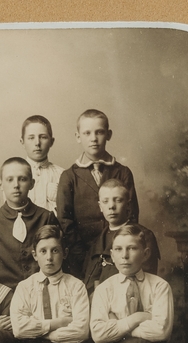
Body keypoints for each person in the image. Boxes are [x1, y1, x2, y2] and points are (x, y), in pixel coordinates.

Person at [10, 225, 91, 343]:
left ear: (65, 253)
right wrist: (58, 323)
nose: (49, 257)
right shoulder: (25, 287)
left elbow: (81, 330)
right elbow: (19, 329)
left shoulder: (76, 286)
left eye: (55, 251)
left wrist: (41, 331)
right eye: (43, 251)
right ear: (34, 255)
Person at [56, 109, 139, 277]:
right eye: (87, 133)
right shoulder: (69, 176)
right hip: (81, 255)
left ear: (108, 134)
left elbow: (132, 214)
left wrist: (118, 250)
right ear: (78, 137)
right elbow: (64, 220)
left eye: (99, 132)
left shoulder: (122, 172)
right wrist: (82, 255)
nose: (93, 139)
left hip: (118, 253)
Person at [0, 157, 55, 289]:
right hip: (4, 292)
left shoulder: (46, 217)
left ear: (32, 183)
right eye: (9, 179)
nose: (16, 185)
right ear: (0, 184)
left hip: (41, 288)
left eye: (22, 179)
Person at [81, 179, 161, 291]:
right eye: (105, 201)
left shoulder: (143, 236)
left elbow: (145, 282)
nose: (111, 206)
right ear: (100, 206)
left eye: (118, 200)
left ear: (128, 205)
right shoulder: (97, 241)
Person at [20, 115, 64, 215]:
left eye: (43, 137)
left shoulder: (62, 175)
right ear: (22, 142)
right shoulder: (15, 174)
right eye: (31, 138)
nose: (37, 143)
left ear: (51, 142)